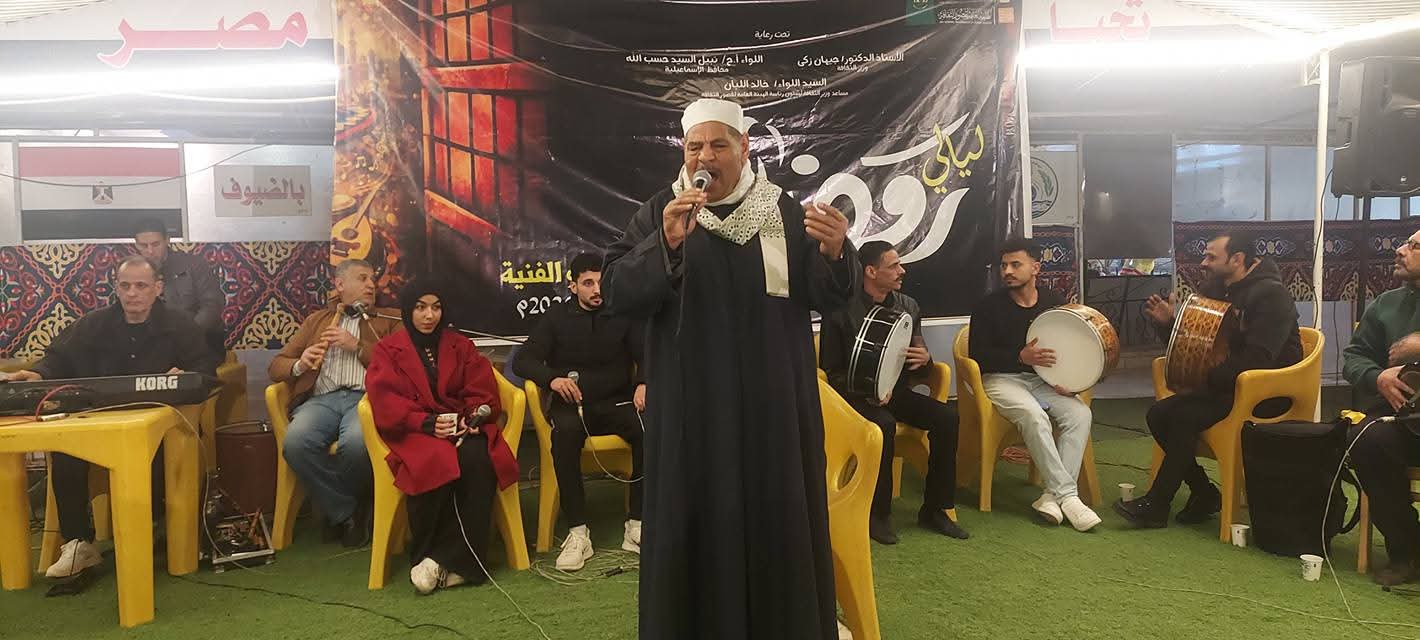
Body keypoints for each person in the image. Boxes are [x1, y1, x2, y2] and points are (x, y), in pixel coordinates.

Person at [602, 97, 857, 639]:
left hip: (774, 410)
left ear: (743, 147)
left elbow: (828, 295)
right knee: (694, 519)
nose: (705, 157)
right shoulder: (661, 212)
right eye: (695, 146)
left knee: (777, 518)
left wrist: (836, 254)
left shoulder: (782, 210)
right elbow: (617, 291)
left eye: (719, 144)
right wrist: (665, 243)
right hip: (691, 410)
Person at [0, 255, 219, 577]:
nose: (132, 293)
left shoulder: (181, 326)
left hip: (161, 429)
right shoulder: (93, 325)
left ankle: (154, 525)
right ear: (116, 288)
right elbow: (57, 360)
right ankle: (78, 543)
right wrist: (37, 374)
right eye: (125, 286)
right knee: (66, 451)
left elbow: (205, 371)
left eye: (141, 286)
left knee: (157, 454)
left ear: (158, 288)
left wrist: (185, 376)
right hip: (98, 424)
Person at [1115, 231, 1301, 528]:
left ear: (1237, 259)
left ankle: (1157, 505)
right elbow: (1196, 345)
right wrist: (1168, 324)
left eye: (1212, 257)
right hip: (1226, 385)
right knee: (1159, 414)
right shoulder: (1217, 288)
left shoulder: (1271, 296)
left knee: (1183, 417)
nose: (1203, 263)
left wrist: (1205, 379)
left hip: (1267, 391)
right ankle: (1204, 493)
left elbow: (1258, 359)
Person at [365, 281, 519, 594]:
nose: (429, 315)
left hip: (460, 425)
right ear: (408, 310)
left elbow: (482, 388)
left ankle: (440, 563)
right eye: (420, 307)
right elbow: (385, 400)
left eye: (436, 307)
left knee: (477, 458)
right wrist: (425, 423)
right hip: (414, 431)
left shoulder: (460, 345)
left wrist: (473, 418)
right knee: (435, 459)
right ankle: (439, 556)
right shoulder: (388, 349)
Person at [820, 240, 967, 544]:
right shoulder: (840, 308)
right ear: (870, 271)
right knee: (883, 424)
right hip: (851, 398)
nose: (902, 271)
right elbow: (830, 373)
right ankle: (877, 514)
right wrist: (868, 389)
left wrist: (925, 361)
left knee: (947, 418)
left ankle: (936, 509)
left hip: (896, 393)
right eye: (894, 266)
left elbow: (918, 369)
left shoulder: (908, 306)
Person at [512, 253, 646, 571]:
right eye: (588, 283)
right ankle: (578, 533)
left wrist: (644, 382)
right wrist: (552, 379)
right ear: (573, 286)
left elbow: (647, 353)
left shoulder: (621, 312)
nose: (597, 289)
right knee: (565, 436)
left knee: (649, 429)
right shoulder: (556, 318)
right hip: (573, 406)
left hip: (615, 403)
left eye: (601, 282)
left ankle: (636, 524)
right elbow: (523, 361)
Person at [968, 238, 1101, 532]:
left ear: (1035, 268)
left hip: (1044, 381)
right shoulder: (987, 307)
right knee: (1033, 415)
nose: (1007, 271)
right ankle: (1068, 496)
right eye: (1004, 265)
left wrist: (1070, 383)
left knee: (1080, 414)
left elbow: (1070, 349)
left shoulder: (1055, 303)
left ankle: (1052, 497)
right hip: (1001, 379)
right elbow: (977, 356)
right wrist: (1019, 356)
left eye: (1016, 264)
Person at [267, 259, 399, 547]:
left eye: (372, 279)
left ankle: (338, 511)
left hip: (365, 399)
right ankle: (348, 510)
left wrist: (357, 347)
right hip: (321, 400)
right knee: (296, 444)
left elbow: (401, 365)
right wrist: (301, 364)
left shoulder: (388, 319)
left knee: (356, 444)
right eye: (362, 278)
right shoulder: (317, 321)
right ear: (340, 285)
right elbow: (276, 366)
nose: (371, 285)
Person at [1343, 228, 1420, 585]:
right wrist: (1377, 378)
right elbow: (1355, 357)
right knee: (1366, 439)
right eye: (1405, 242)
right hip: (1405, 418)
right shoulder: (1387, 304)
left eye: (1414, 246)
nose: (1400, 249)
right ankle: (1407, 551)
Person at [133, 217, 226, 352]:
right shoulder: (132, 272)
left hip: (197, 340)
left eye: (156, 244)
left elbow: (212, 305)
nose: (150, 251)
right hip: (153, 345)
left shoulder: (194, 265)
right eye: (144, 246)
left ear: (167, 240)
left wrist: (187, 335)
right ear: (136, 245)